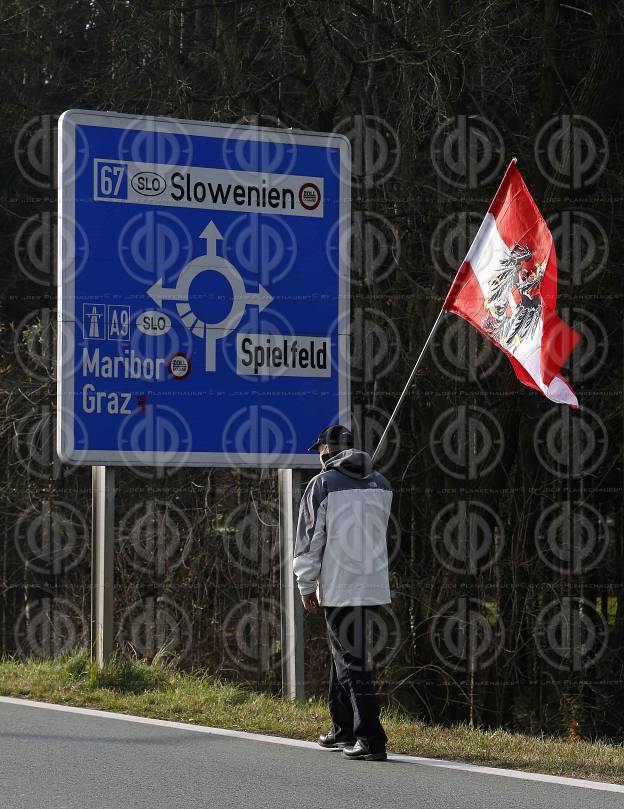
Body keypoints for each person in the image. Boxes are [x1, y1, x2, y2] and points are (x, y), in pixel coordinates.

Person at [293, 424, 393, 761]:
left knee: (352, 662)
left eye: (320, 449)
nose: (319, 457)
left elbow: (310, 540)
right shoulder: (381, 483)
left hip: (340, 585)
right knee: (345, 657)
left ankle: (371, 738)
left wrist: (306, 584)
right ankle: (342, 729)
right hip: (373, 584)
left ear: (328, 449)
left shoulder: (321, 484)